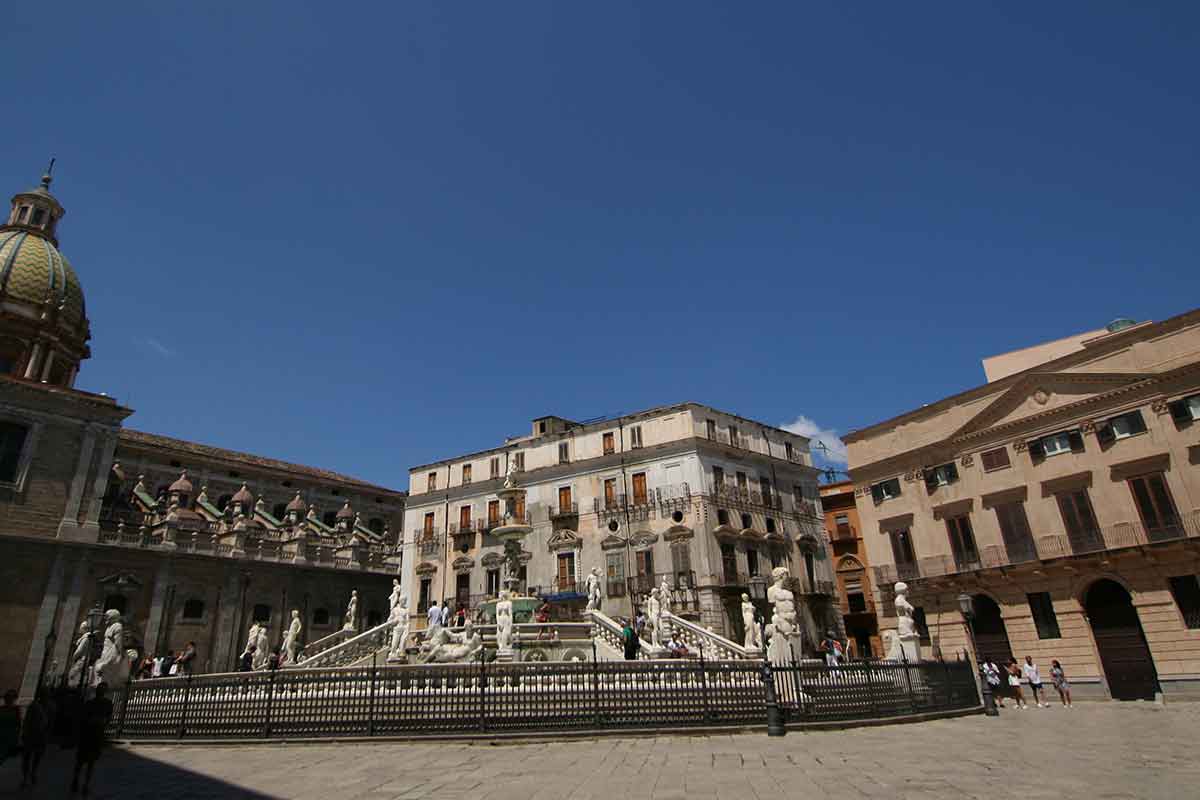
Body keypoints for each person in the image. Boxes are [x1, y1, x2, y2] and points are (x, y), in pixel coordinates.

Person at [71, 683, 114, 795]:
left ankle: (82, 782)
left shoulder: (98, 704)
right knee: (85, 761)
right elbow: (107, 718)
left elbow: (108, 718)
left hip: (93, 734)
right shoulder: (98, 704)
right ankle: (80, 781)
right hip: (91, 734)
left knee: (87, 761)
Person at [20, 689, 50, 787]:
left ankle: (29, 774)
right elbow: (27, 720)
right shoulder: (35, 706)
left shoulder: (36, 706)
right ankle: (30, 774)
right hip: (35, 734)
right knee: (32, 756)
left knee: (32, 756)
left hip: (37, 734)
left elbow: (27, 720)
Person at [0, 689, 20, 766]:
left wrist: (16, 739)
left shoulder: (16, 710)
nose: (8, 700)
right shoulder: (1, 709)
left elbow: (18, 725)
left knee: (3, 756)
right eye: (7, 698)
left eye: (10, 698)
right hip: (2, 735)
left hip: (9, 737)